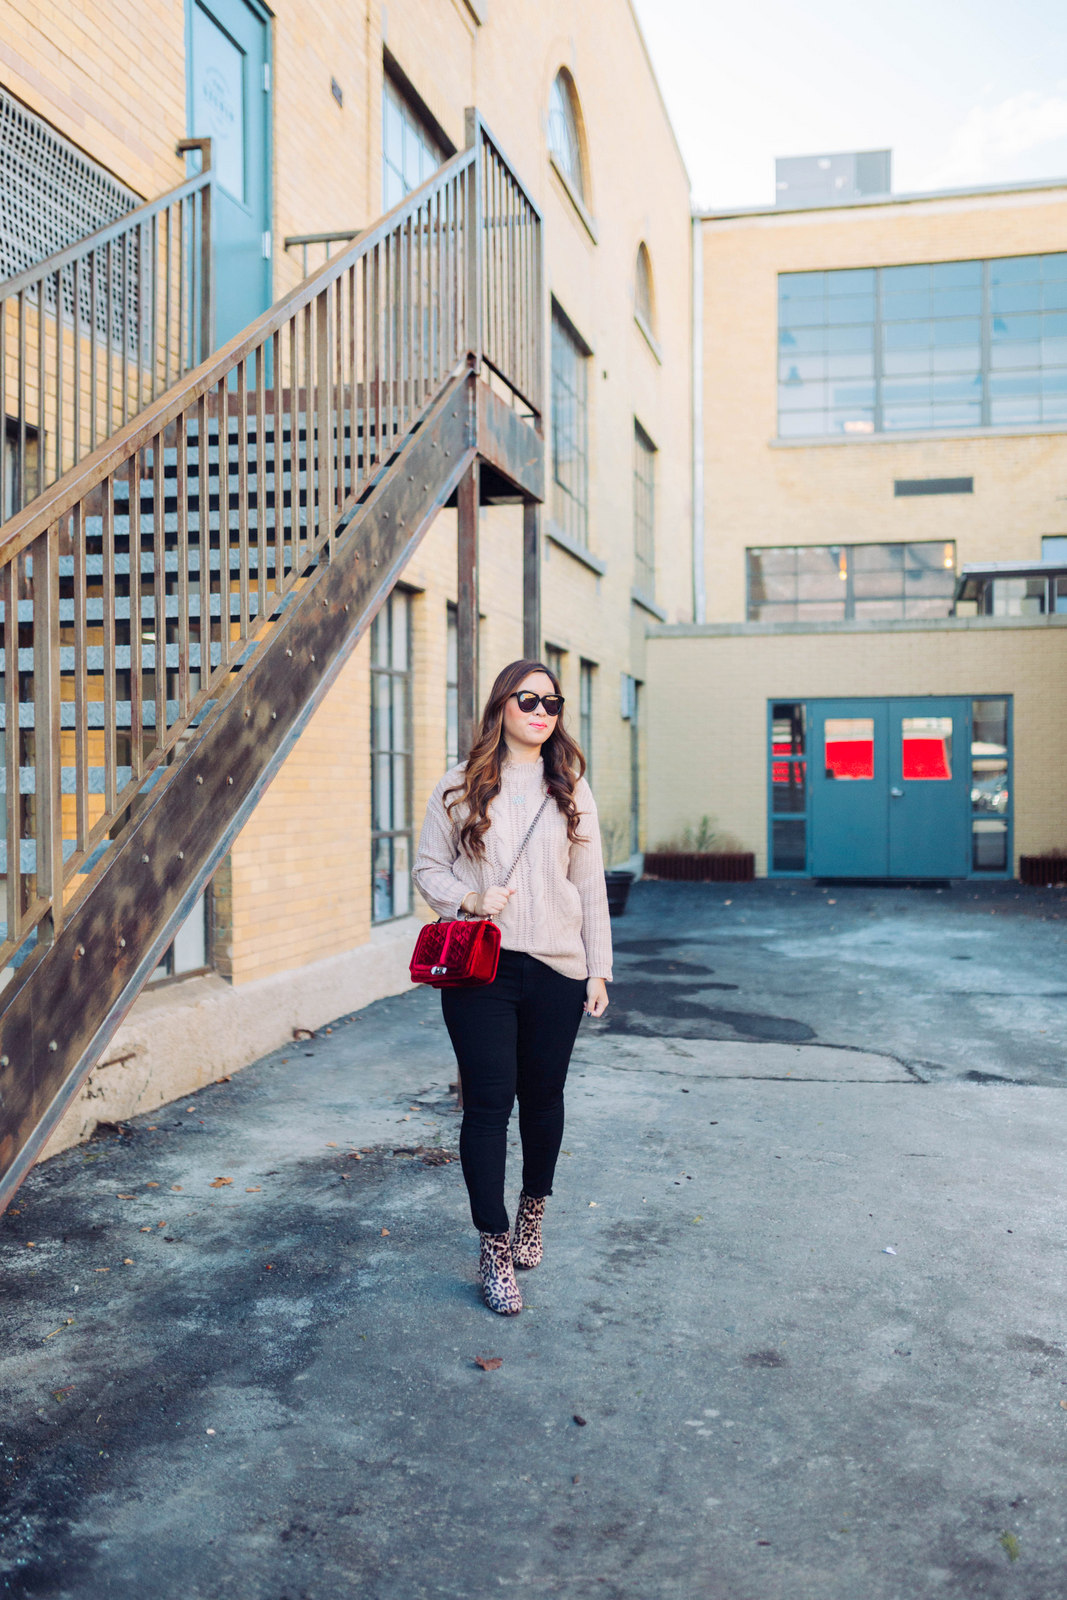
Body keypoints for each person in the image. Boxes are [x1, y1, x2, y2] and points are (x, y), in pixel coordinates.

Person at [412, 658, 612, 1315]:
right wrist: (469, 898)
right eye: (528, 699)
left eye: (551, 702)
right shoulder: (458, 787)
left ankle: (532, 1212)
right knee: (488, 1105)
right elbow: (427, 867)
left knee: (543, 1096)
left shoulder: (571, 789)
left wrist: (598, 967)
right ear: (502, 704)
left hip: (557, 967)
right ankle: (493, 1245)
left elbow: (589, 886)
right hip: (481, 969)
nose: (541, 711)